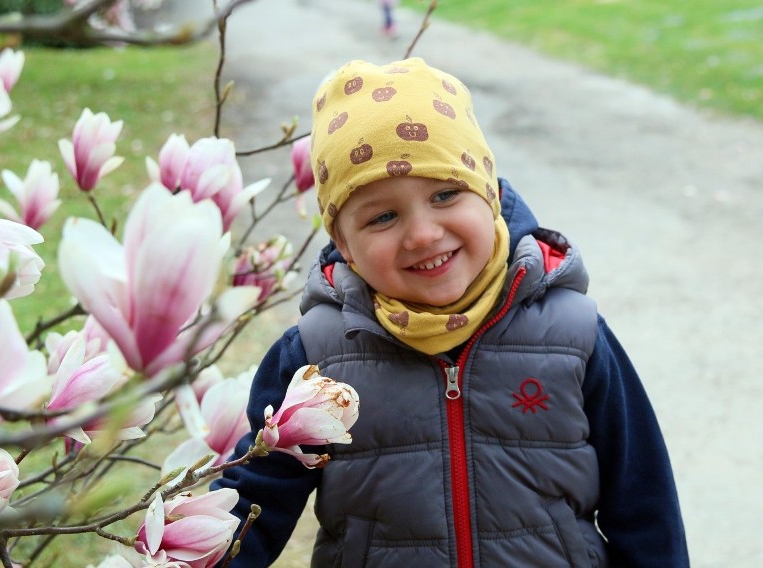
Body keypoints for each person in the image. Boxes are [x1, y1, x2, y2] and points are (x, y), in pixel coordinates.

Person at [211, 57, 689, 567]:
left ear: (488, 193)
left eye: (445, 194)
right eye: (383, 216)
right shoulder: (318, 356)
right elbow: (257, 496)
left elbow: (643, 498)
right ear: (344, 246)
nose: (422, 234)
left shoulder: (573, 333)